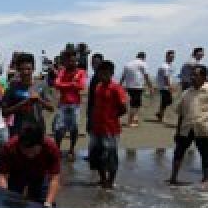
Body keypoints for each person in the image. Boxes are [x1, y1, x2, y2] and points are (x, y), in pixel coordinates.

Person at [87, 60, 128, 189]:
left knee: (110, 156)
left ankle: (110, 182)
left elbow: (123, 108)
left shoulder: (116, 88)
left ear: (111, 74)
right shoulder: (98, 87)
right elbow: (94, 106)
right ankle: (102, 179)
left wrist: (112, 117)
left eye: (106, 73)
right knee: (96, 155)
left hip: (110, 128)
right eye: (101, 73)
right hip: (96, 127)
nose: (103, 76)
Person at [0, 125, 61, 207]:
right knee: (10, 202)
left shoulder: (51, 148)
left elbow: (55, 179)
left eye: (33, 152)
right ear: (20, 145)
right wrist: (4, 194)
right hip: (17, 173)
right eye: (25, 151)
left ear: (41, 144)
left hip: (40, 174)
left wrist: (48, 202)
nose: (29, 155)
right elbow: (3, 175)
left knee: (46, 204)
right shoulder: (9, 147)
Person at [0, 55, 52, 139]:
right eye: (22, 69)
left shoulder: (41, 84)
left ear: (33, 69)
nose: (25, 72)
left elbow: (51, 108)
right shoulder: (12, 87)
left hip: (38, 128)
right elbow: (4, 112)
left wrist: (39, 100)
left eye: (28, 69)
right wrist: (25, 102)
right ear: (17, 70)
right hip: (18, 131)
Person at [50, 50, 87, 160]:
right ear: (65, 61)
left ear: (76, 61)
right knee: (59, 129)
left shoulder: (81, 72)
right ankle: (57, 148)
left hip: (75, 104)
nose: (71, 63)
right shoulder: (62, 71)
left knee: (74, 128)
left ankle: (71, 149)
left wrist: (65, 85)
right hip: (63, 104)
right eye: (68, 61)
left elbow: (81, 86)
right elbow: (56, 84)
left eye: (73, 61)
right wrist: (71, 84)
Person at [118, 52, 153, 128]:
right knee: (135, 104)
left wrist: (119, 85)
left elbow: (123, 76)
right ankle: (130, 121)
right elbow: (146, 76)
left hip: (128, 86)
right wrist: (150, 87)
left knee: (135, 103)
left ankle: (134, 118)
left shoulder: (128, 64)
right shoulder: (142, 63)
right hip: (137, 86)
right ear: (144, 57)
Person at [155, 49, 177, 123]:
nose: (172, 58)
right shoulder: (164, 66)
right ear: (166, 56)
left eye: (173, 57)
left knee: (166, 101)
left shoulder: (169, 66)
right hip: (164, 86)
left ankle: (160, 114)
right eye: (170, 56)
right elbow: (166, 77)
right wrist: (170, 86)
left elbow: (170, 76)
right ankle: (160, 115)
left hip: (166, 86)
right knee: (167, 101)